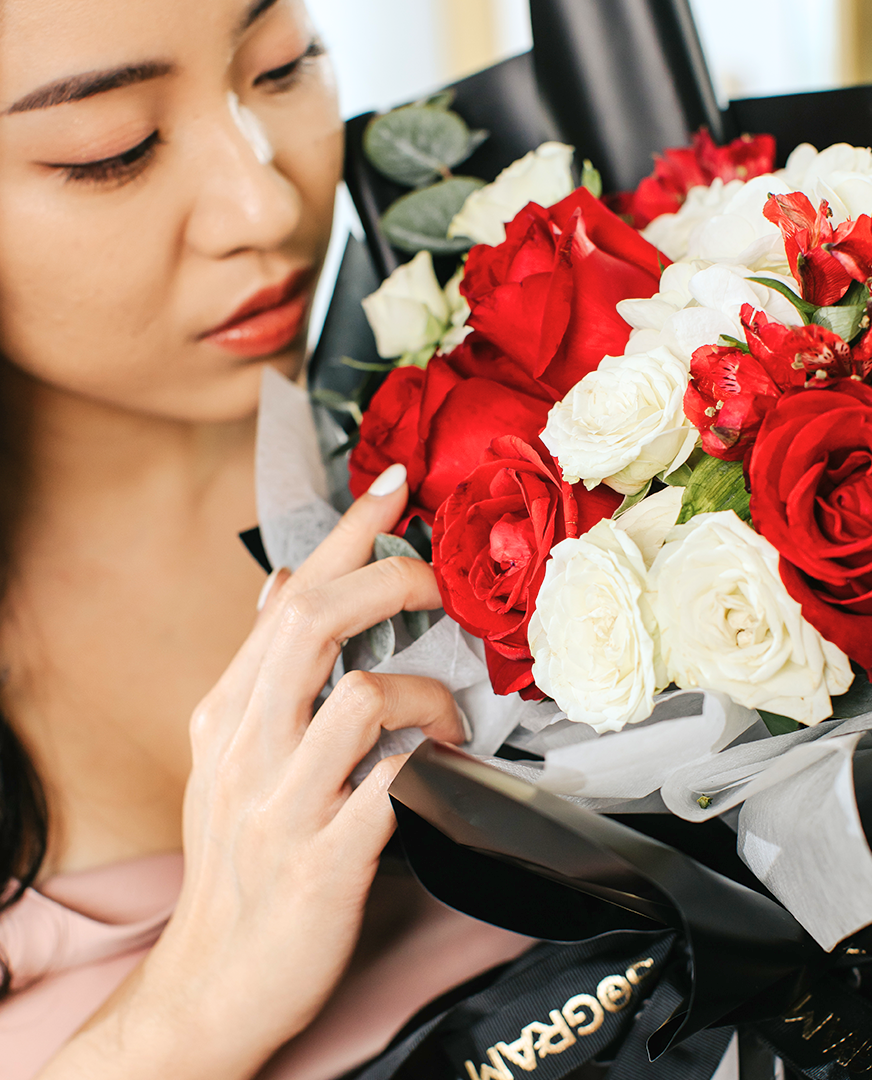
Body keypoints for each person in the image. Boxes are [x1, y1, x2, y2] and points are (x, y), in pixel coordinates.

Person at [0, 0, 532, 1076]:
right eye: (114, 150)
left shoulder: (523, 405)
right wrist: (191, 1010)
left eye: (283, 67)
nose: (267, 201)